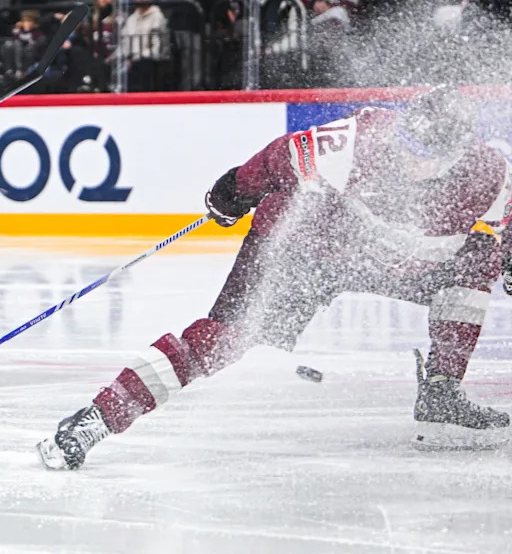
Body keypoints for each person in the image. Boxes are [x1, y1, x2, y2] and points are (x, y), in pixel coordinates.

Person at [38, 86, 512, 470]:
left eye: (423, 153)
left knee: (478, 264)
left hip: (389, 259)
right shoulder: (360, 139)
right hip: (303, 249)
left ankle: (442, 394)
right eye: (406, 143)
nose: (408, 158)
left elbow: (502, 227)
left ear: (456, 154)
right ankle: (100, 415)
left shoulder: (489, 172)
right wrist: (232, 192)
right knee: (226, 338)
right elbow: (278, 157)